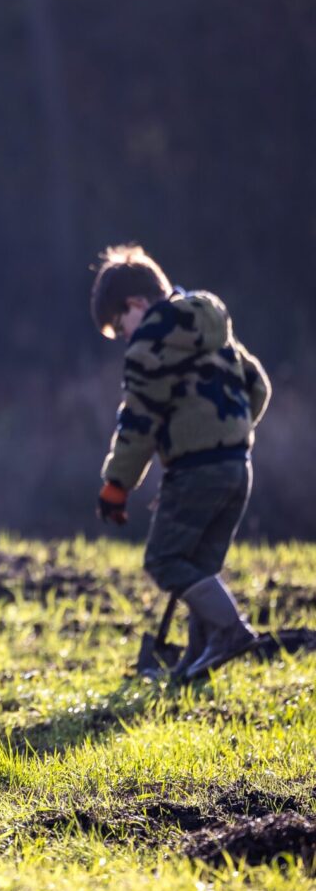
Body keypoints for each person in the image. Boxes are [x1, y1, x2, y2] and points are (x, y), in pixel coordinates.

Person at [91, 245, 271, 678]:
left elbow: (139, 421)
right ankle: (196, 661)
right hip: (237, 466)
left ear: (136, 304)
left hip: (196, 469)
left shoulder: (149, 344)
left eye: (120, 326)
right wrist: (229, 435)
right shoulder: (213, 328)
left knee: (165, 560)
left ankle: (230, 630)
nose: (126, 337)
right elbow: (258, 386)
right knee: (200, 566)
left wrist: (117, 485)